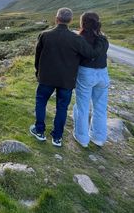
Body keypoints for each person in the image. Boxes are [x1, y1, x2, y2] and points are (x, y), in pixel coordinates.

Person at [29, 8, 106, 147]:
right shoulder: (76, 39)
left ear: (56, 18)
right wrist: (100, 37)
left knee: (41, 102)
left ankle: (39, 131)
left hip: (46, 78)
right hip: (66, 81)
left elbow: (37, 57)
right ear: (70, 20)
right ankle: (57, 138)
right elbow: (90, 54)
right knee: (62, 107)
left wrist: (38, 72)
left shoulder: (44, 35)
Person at [73, 12, 109, 148]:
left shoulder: (80, 38)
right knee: (100, 107)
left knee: (82, 106)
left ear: (83, 23)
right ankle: (98, 138)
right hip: (103, 73)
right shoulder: (103, 39)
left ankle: (82, 138)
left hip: (86, 73)